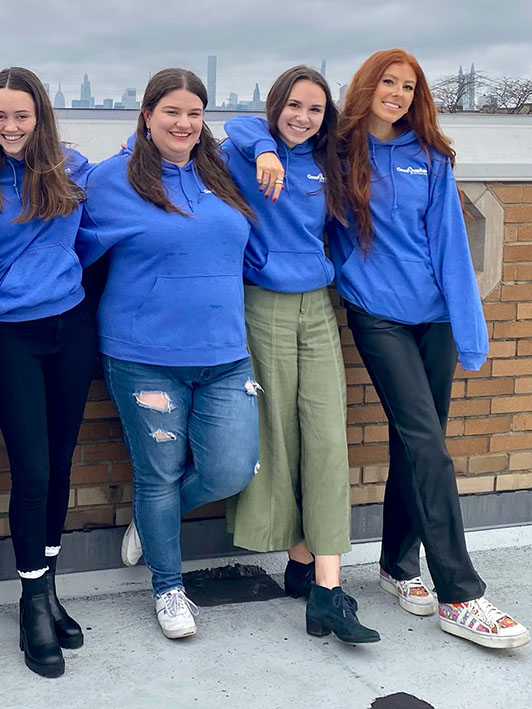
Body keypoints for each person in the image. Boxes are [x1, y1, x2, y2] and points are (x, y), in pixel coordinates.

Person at [333, 49, 528, 648]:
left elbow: (450, 249)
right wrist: (263, 150)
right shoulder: (335, 153)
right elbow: (244, 133)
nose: (397, 93)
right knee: (428, 446)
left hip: (435, 318)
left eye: (408, 86)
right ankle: (461, 595)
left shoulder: (431, 157)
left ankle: (396, 563)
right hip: (378, 316)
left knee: (416, 445)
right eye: (388, 82)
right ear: (366, 86)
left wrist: (469, 331)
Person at [75, 68, 259, 640]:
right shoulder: (109, 181)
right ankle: (168, 587)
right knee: (155, 474)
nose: (183, 123)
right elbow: (61, 240)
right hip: (143, 355)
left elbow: (261, 126)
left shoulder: (222, 172)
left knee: (230, 469)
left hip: (227, 353)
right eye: (171, 112)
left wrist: (269, 149)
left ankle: (155, 521)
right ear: (147, 116)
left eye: (195, 113)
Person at [0, 67, 95, 678]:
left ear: (41, 118)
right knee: (31, 470)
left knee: (60, 464)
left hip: (71, 328)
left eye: (22, 116)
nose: (10, 127)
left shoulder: (72, 169)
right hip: (9, 335)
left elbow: (87, 240)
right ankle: (31, 601)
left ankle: (50, 588)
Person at [221, 66, 379, 643]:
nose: (303, 117)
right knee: (277, 436)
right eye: (293, 105)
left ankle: (327, 592)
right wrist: (265, 148)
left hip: (318, 308)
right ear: (276, 105)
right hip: (259, 306)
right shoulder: (244, 151)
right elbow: (231, 124)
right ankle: (300, 562)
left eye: (314, 109)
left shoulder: (326, 164)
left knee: (326, 438)